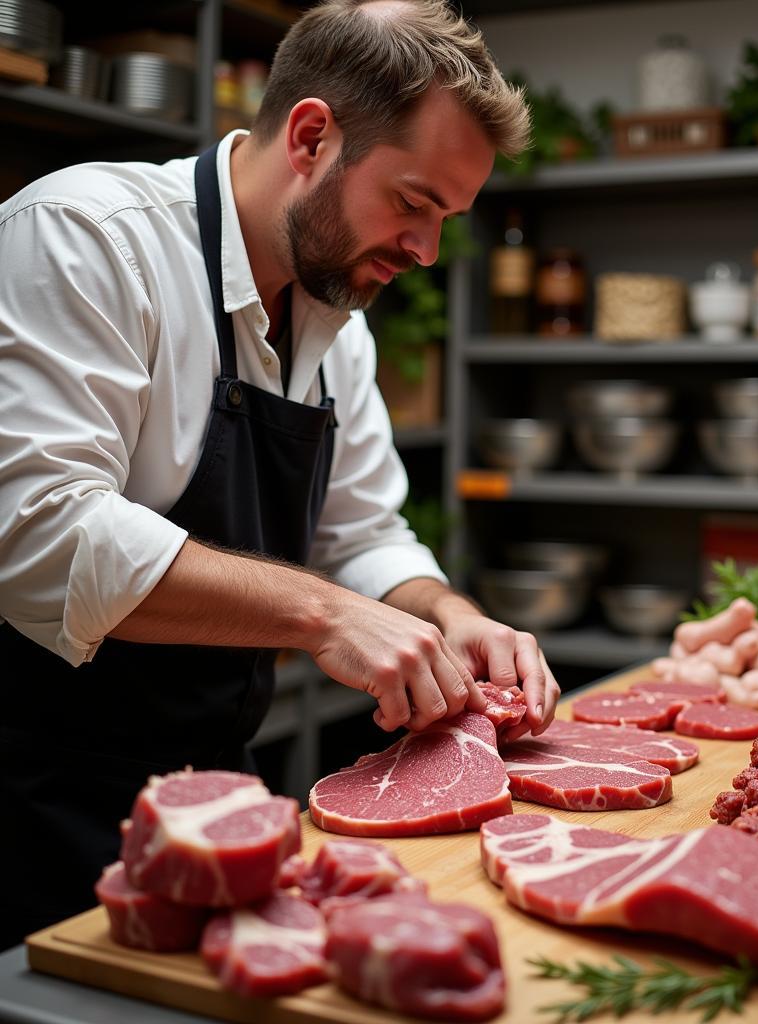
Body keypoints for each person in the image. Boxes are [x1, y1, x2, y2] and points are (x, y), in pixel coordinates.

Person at [0, 0, 558, 948]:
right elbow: (40, 537)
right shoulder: (87, 237)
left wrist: (450, 616)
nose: (426, 252)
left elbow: (367, 533)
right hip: (33, 798)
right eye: (415, 203)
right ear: (310, 135)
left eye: (447, 219)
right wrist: (327, 615)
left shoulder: (337, 320)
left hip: (215, 792)